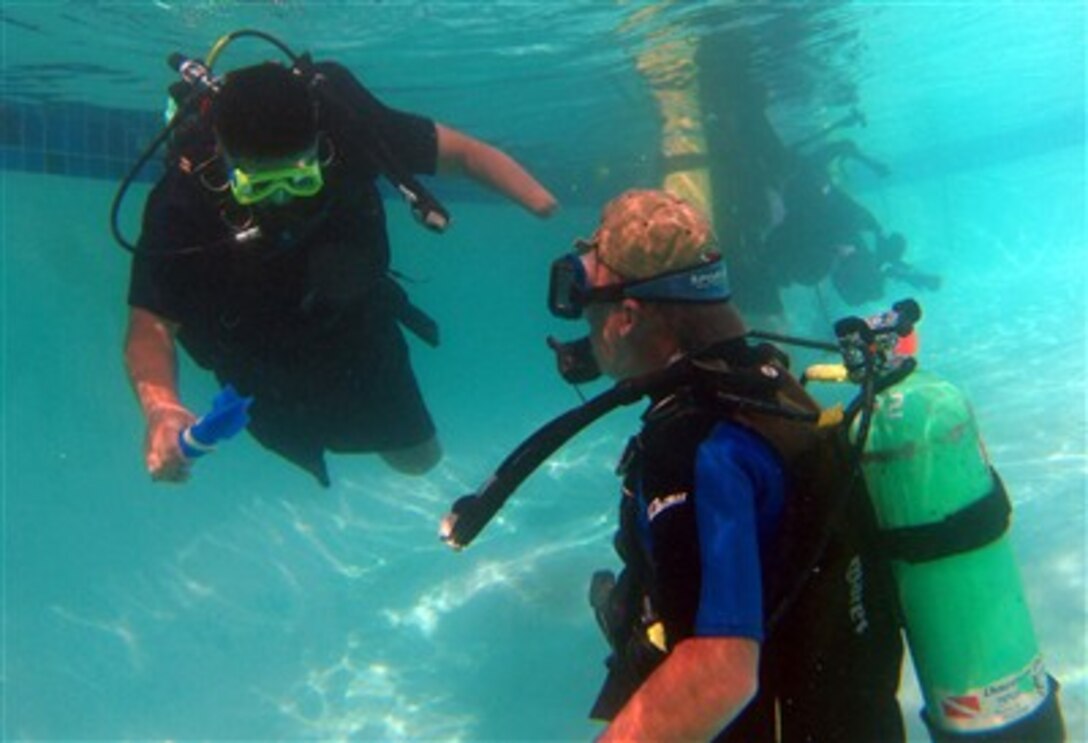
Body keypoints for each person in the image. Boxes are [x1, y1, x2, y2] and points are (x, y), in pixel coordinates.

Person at [546, 189, 904, 741]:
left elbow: (721, 673)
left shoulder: (692, 449)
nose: (587, 328)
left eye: (589, 305)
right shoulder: (769, 384)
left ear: (626, 318)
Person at [125, 58, 557, 487]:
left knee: (419, 458)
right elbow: (151, 322)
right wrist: (160, 409)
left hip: (351, 321)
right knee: (296, 448)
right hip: (257, 350)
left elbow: (463, 154)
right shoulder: (182, 196)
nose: (279, 200)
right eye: (257, 185)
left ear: (319, 141)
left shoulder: (349, 131)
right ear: (222, 150)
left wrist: (540, 203)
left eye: (298, 179)